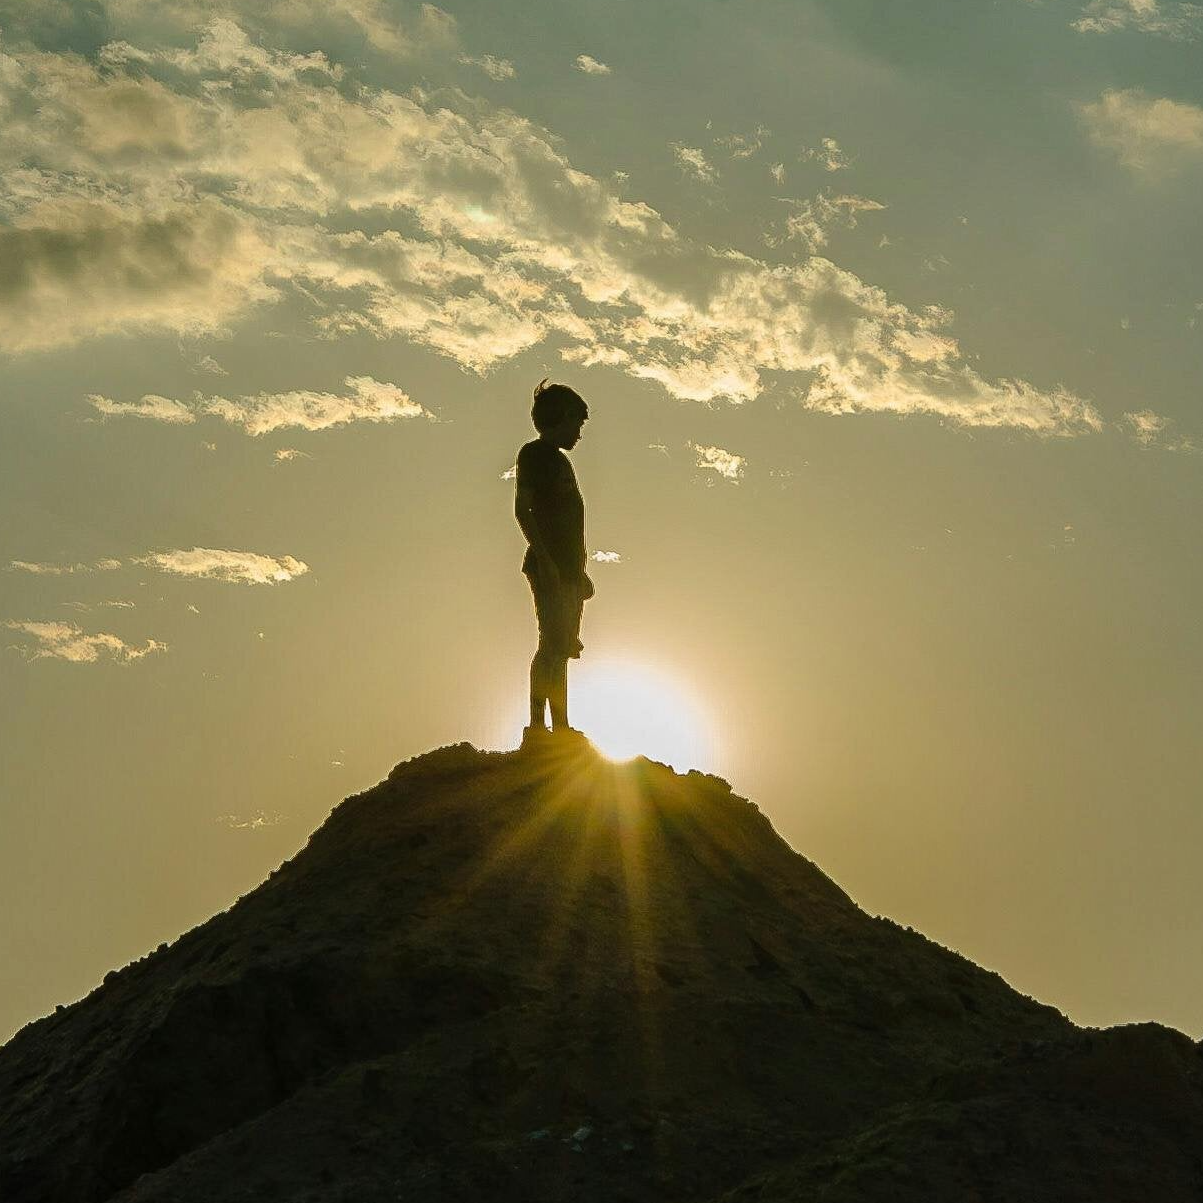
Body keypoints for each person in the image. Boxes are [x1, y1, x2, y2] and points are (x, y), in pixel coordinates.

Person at [514, 379, 594, 745]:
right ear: (559, 419)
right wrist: (544, 557)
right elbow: (522, 509)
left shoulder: (560, 462)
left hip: (568, 571)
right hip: (549, 567)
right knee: (550, 645)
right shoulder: (535, 455)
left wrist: (580, 573)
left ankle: (559, 726)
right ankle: (538, 728)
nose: (578, 431)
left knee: (561, 647)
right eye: (575, 423)